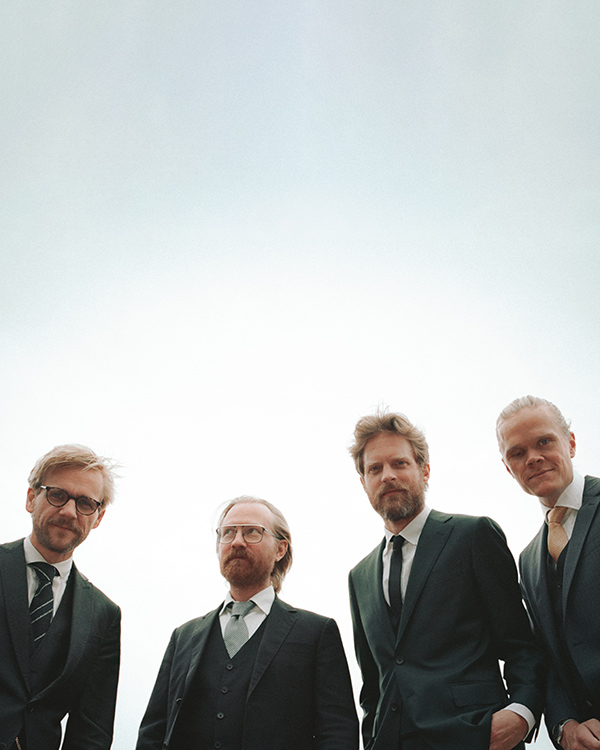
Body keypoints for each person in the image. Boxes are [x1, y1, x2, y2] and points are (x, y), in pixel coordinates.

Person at [348, 410, 543, 750]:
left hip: (476, 735)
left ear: (424, 470)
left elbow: (520, 643)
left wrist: (521, 713)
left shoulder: (473, 536)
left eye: (399, 463)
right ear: (363, 482)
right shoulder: (359, 576)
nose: (387, 476)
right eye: (374, 469)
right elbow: (373, 686)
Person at [136, 495, 359, 750]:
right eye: (228, 533)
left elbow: (338, 732)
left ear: (280, 549)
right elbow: (153, 732)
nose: (237, 542)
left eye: (252, 532)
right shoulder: (183, 637)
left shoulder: (316, 634)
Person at [0, 444, 121, 750]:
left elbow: (91, 729)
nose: (69, 511)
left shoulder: (104, 615)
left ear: (98, 517)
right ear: (31, 498)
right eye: (57, 494)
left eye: (84, 503)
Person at [497, 395, 600, 750]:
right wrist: (563, 725)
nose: (533, 458)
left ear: (570, 442)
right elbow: (547, 653)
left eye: (544, 442)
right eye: (517, 453)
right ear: (509, 468)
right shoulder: (527, 560)